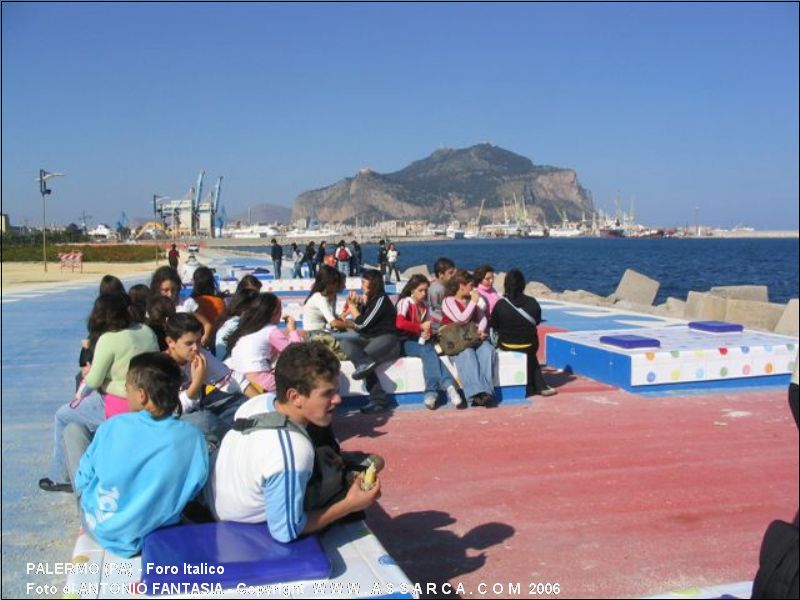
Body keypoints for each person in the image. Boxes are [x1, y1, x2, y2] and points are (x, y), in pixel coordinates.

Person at [204, 342, 380, 542]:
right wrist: (350, 505)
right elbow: (285, 532)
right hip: (239, 524)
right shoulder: (294, 451)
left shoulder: (260, 402)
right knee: (345, 496)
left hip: (219, 501)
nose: (338, 400)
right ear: (295, 396)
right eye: (327, 394)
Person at [67, 352, 208, 557]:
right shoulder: (193, 437)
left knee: (73, 431)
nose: (126, 392)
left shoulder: (113, 426)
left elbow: (82, 480)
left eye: (128, 388)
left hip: (102, 527)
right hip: (154, 531)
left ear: (142, 395)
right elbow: (194, 488)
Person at [164, 314, 255, 445]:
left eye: (198, 341)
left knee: (242, 402)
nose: (195, 348)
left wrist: (261, 402)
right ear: (170, 342)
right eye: (188, 343)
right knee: (204, 421)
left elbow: (232, 379)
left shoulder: (200, 355)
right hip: (175, 420)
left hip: (200, 407)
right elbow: (170, 411)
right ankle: (235, 443)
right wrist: (197, 382)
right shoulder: (161, 366)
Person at [75, 293, 160, 418]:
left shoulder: (109, 338)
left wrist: (90, 374)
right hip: (153, 397)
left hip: (121, 400)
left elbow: (93, 381)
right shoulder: (146, 330)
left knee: (63, 416)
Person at [339, 269, 401, 414]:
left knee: (364, 358)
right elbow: (359, 326)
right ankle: (378, 400)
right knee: (346, 344)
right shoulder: (370, 301)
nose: (361, 286)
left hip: (388, 341)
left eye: (363, 282)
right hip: (371, 339)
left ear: (373, 284)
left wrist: (354, 308)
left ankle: (378, 400)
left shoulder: (381, 300)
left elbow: (361, 324)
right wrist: (355, 307)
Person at [396, 275, 462, 409]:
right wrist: (420, 327)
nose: (424, 293)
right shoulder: (405, 302)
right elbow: (400, 323)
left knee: (430, 352)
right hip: (405, 341)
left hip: (420, 341)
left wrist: (427, 333)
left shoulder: (425, 306)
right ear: (412, 290)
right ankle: (448, 386)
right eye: (420, 290)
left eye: (426, 290)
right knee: (428, 350)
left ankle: (432, 394)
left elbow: (426, 326)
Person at [491, 269, 556, 399]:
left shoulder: (500, 304)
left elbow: (495, 325)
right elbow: (536, 322)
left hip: (507, 344)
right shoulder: (532, 302)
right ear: (523, 284)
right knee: (530, 353)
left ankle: (533, 386)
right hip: (529, 344)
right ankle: (540, 386)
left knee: (521, 348)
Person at [226, 293, 304, 393]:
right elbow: (297, 354)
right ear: (274, 313)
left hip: (239, 379)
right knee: (302, 383)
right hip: (259, 380)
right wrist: (292, 330)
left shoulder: (247, 330)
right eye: (280, 311)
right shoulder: (271, 330)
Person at [441, 269, 497, 407]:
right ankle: (476, 394)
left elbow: (482, 318)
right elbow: (460, 319)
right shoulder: (448, 301)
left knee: (488, 350)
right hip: (457, 342)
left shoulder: (472, 301)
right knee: (467, 353)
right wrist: (473, 302)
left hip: (473, 338)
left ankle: (486, 393)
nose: (473, 289)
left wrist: (480, 330)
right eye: (471, 286)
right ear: (461, 285)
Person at [181, 266, 227, 349]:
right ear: (211, 283)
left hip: (198, 342)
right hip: (217, 342)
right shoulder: (220, 302)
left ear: (195, 283)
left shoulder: (192, 303)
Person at [428, 257, 456, 332]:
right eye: (450, 273)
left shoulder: (444, 286)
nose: (453, 275)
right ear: (441, 274)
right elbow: (433, 310)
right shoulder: (437, 289)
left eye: (454, 272)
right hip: (438, 324)